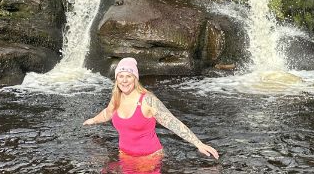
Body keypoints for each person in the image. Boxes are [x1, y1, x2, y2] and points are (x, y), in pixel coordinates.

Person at [83, 57, 219, 170]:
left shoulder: (147, 100)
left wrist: (199, 144)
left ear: (135, 79)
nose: (124, 80)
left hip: (149, 159)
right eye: (121, 76)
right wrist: (93, 120)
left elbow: (172, 122)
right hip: (125, 156)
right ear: (116, 78)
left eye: (129, 76)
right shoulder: (117, 97)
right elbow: (107, 113)